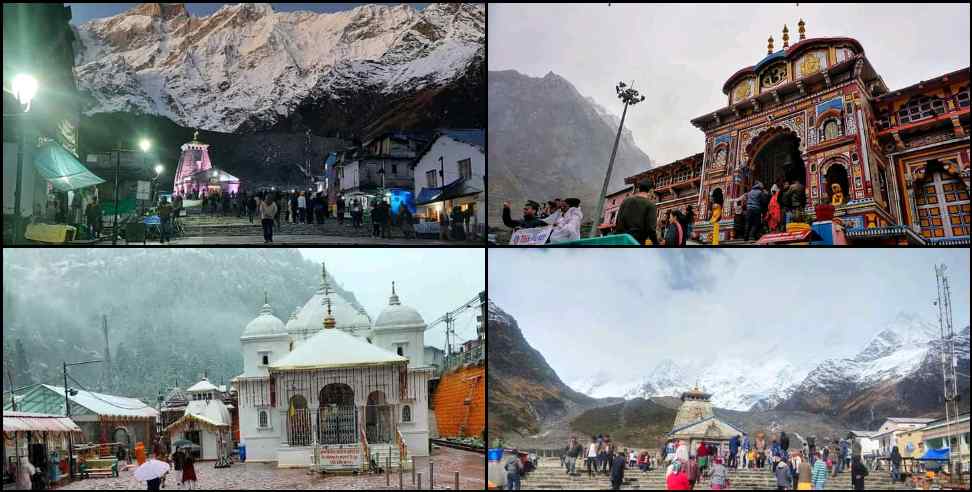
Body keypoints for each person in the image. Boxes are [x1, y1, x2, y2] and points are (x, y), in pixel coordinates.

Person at [614, 180, 658, 245]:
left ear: (639, 189)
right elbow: (651, 230)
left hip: (621, 241)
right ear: (651, 190)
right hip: (636, 243)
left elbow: (617, 223)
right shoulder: (650, 205)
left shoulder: (625, 201)